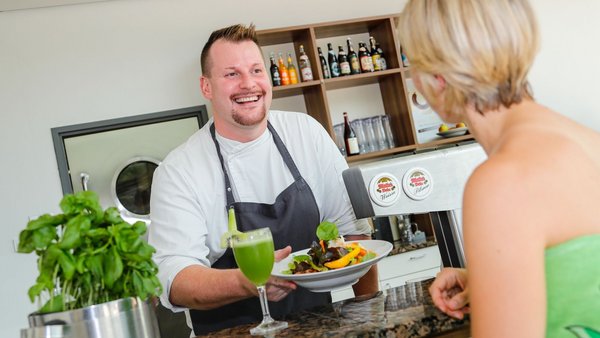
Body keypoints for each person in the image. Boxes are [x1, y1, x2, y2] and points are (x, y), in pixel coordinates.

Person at [147, 23, 378, 336]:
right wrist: (246, 281)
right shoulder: (179, 171)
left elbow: (356, 233)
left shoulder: (306, 133)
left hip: (318, 329)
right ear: (206, 87)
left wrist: (368, 315)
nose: (248, 84)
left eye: (256, 70)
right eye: (231, 74)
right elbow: (173, 280)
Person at [398, 0, 600, 337]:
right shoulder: (586, 140)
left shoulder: (501, 182)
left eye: (411, 62)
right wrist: (494, 280)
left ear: (438, 78)